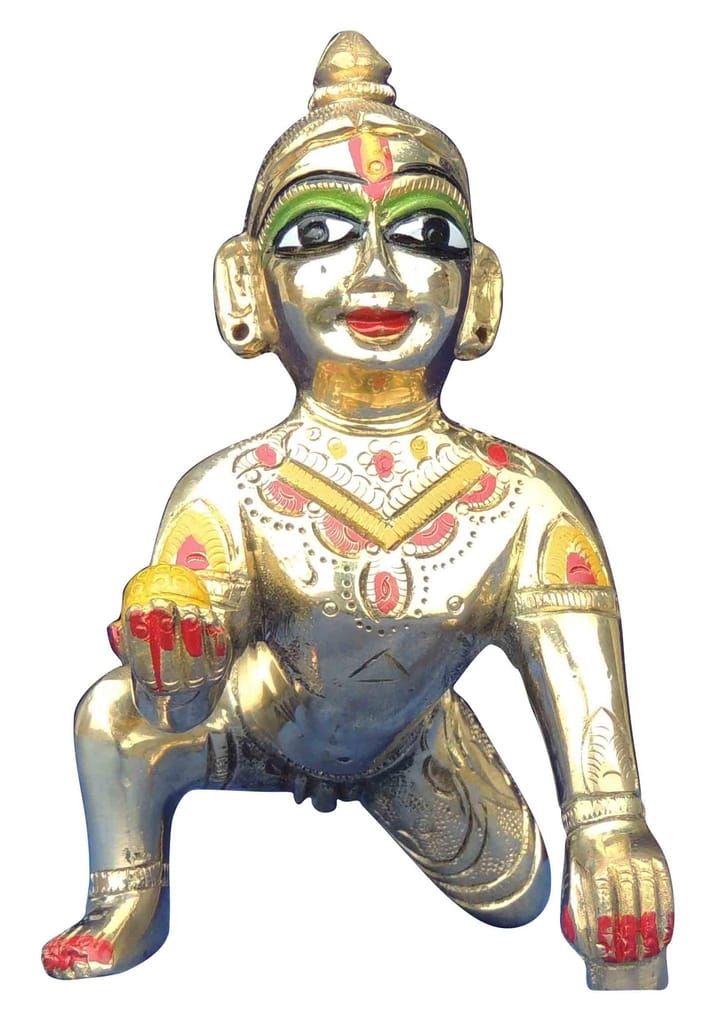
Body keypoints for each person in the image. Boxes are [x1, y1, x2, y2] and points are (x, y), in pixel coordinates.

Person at [42, 31, 673, 988]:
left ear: (480, 288)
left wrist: (611, 829)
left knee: (524, 896)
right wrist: (173, 641)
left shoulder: (522, 501)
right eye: (317, 237)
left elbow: (583, 690)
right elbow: (180, 702)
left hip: (409, 741)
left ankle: (409, 763)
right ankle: (128, 893)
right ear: (246, 283)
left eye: (423, 236)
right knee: (111, 716)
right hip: (248, 722)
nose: (376, 275)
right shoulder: (230, 488)